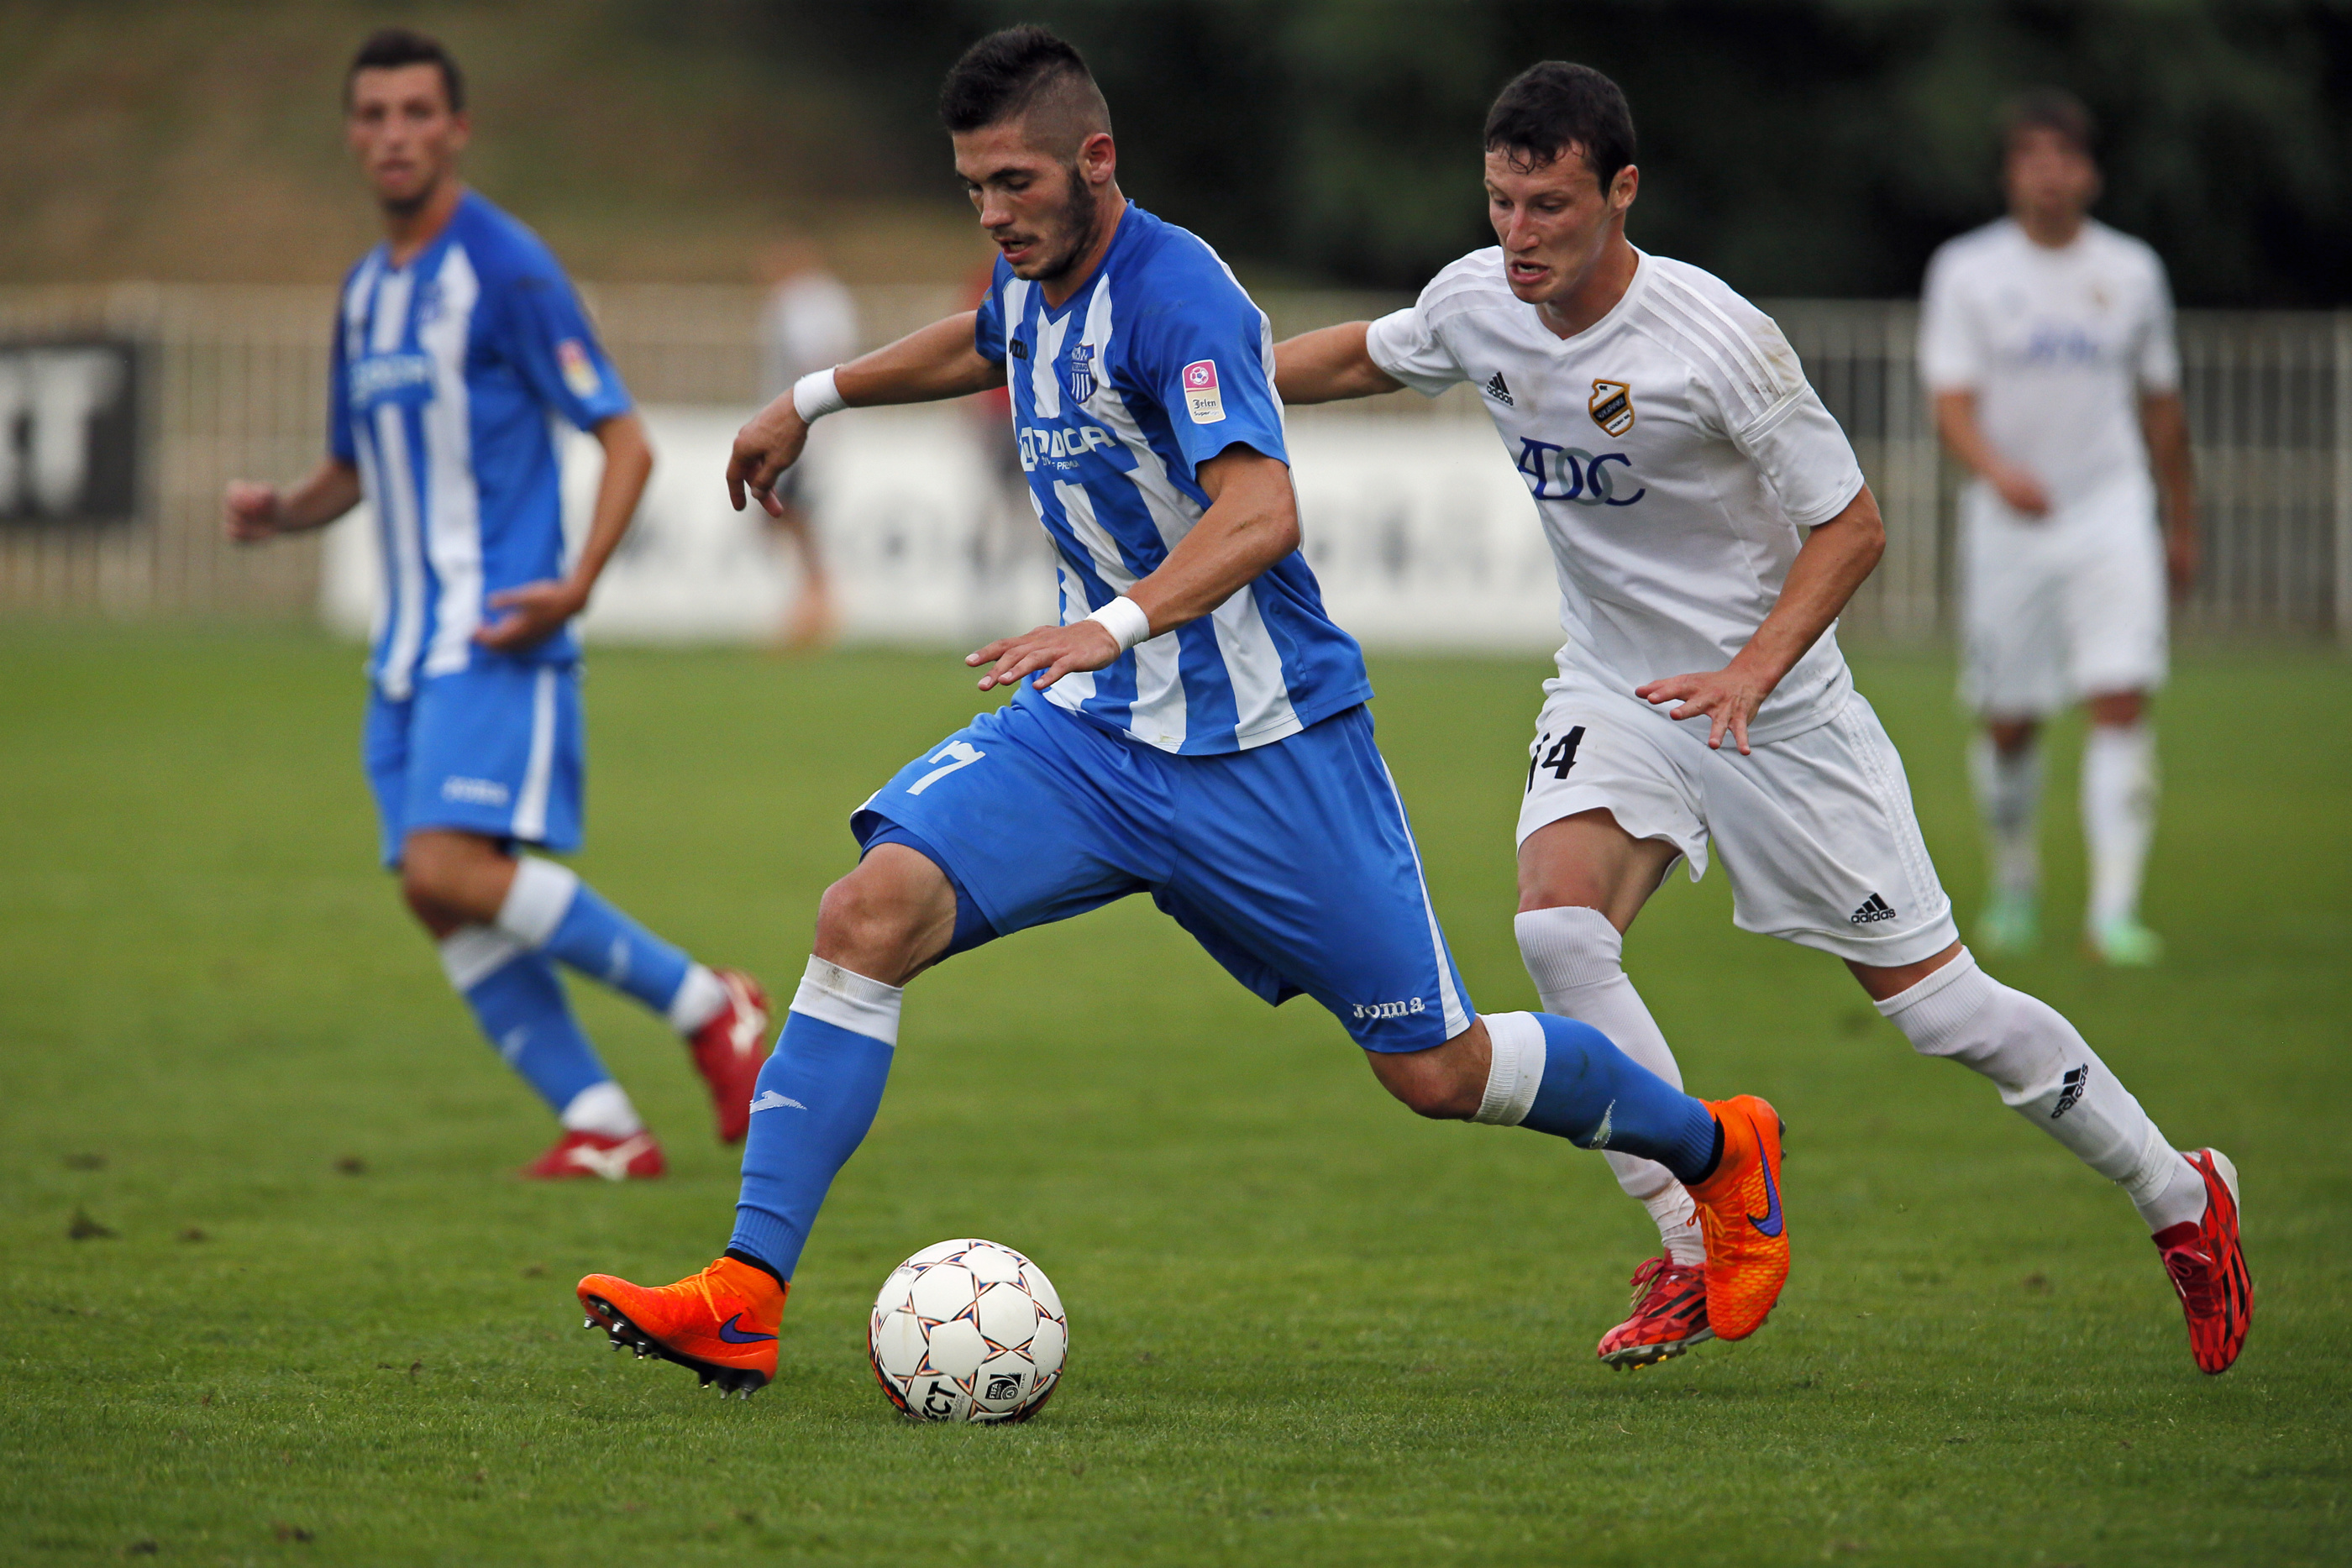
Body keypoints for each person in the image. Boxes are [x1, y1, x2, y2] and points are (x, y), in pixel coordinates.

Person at [574, 27, 1790, 1403]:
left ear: (1097, 160)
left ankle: (1716, 1149)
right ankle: (743, 1292)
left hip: (1268, 748)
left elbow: (1263, 514)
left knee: (1438, 1069)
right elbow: (981, 336)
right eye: (974, 188)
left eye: (1016, 183)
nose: (994, 213)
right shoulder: (1029, 272)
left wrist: (1106, 622)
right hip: (1091, 734)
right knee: (866, 913)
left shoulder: (1182, 294)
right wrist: (812, 397)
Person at [1273, 62, 2247, 1374]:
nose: (1518, 234)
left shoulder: (1715, 338)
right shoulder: (1476, 301)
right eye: (1501, 201)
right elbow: (1363, 354)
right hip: (1617, 685)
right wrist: (1207, 386)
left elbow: (1853, 524)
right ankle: (1698, 1231)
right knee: (1558, 928)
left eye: (1549, 205)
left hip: (1777, 711)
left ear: (1622, 191)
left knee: (1944, 1009)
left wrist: (1751, 671)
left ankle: (2181, 1197)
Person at [223, 29, 769, 1180]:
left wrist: (572, 586)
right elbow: (353, 467)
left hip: (497, 628)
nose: (394, 134)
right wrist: (280, 508)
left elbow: (622, 439)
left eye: (417, 112)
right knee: (439, 898)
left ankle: (707, 1001)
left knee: (447, 869)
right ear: (351, 135)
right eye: (372, 115)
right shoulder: (366, 295)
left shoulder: (504, 264)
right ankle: (605, 1126)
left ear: (456, 128)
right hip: (405, 652)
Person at [1920, 90, 2198, 967]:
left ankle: (2114, 911)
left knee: (2120, 696)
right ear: (2011, 172)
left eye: (2064, 157)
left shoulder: (2132, 271)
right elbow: (1951, 403)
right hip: (2009, 523)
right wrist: (2001, 474)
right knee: (2010, 719)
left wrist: (2178, 521)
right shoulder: (1967, 271)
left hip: (2110, 512)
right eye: (2031, 157)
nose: (2049, 174)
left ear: (2089, 171)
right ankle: (2013, 880)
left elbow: (2160, 407)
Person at [755, 238, 861, 648]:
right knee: (787, 515)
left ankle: (817, 603)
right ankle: (815, 599)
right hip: (803, 426)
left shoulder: (805, 302)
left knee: (789, 511)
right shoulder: (819, 299)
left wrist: (802, 418)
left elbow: (814, 361)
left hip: (801, 428)